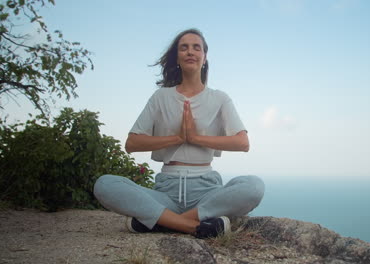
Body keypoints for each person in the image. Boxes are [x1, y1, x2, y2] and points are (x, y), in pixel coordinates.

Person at [93, 28, 265, 239]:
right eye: (184, 47)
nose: (190, 51)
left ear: (204, 57)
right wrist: (176, 138)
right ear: (177, 57)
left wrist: (195, 138)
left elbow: (242, 142)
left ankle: (163, 221)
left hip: (206, 192)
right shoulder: (161, 97)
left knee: (254, 186)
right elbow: (132, 143)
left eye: (196, 47)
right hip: (166, 192)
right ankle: (194, 226)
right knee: (105, 184)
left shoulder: (219, 98)